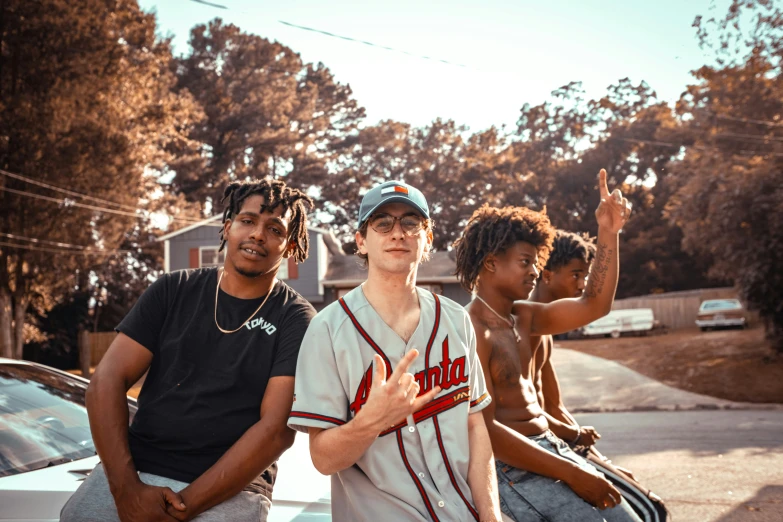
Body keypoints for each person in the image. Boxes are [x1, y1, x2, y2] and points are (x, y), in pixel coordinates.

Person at [61, 178, 316, 522]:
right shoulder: (173, 289)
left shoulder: (296, 319)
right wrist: (126, 490)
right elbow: (106, 381)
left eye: (274, 228)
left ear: (288, 247)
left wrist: (183, 508)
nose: (257, 234)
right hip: (138, 469)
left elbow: (276, 430)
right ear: (227, 228)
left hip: (231, 485)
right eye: (247, 221)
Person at [288, 180, 502, 521]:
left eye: (411, 222)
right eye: (382, 222)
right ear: (361, 240)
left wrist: (491, 516)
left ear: (428, 238)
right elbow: (323, 459)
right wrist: (371, 421)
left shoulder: (456, 319)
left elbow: (474, 427)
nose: (397, 233)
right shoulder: (327, 329)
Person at [454, 169, 642, 522]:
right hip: (510, 468)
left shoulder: (524, 317)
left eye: (536, 263)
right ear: (491, 262)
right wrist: (573, 473)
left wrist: (608, 232)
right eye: (526, 262)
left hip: (551, 450)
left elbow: (594, 305)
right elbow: (486, 430)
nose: (535, 273)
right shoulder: (470, 330)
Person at [531, 230, 669, 522]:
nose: (582, 284)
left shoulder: (545, 331)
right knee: (651, 512)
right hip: (541, 451)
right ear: (547, 274)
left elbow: (553, 404)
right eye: (576, 275)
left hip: (563, 444)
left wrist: (599, 459)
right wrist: (577, 438)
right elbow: (526, 414)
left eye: (585, 276)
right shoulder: (524, 323)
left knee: (651, 506)